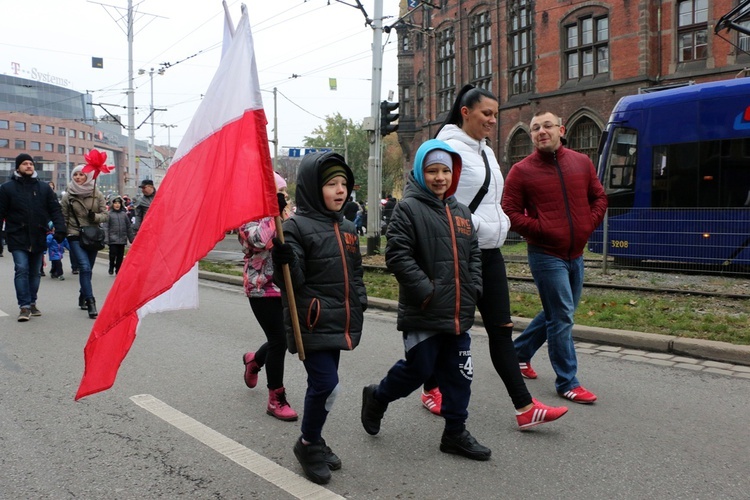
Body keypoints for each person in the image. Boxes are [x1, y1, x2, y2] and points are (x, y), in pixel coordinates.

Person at [429, 84, 568, 429]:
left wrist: (502, 223)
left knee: (501, 330)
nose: (493, 120)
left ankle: (524, 407)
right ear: (465, 112)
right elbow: (437, 199)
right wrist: (473, 226)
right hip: (457, 253)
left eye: (495, 114)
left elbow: (494, 199)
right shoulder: (445, 148)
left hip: (489, 253)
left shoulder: (487, 151)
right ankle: (427, 387)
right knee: (447, 330)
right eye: (486, 113)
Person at [360, 140, 491, 461]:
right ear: (421, 172)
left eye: (445, 170)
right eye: (432, 170)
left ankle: (455, 433)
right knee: (419, 370)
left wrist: (474, 287)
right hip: (424, 310)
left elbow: (473, 254)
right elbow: (397, 255)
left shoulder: (462, 212)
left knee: (460, 374)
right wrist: (427, 291)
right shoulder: (408, 209)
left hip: (458, 312)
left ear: (453, 173)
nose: (440, 177)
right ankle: (378, 397)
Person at [271, 152, 366, 485]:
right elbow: (289, 281)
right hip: (310, 321)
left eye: (343, 183)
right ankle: (308, 443)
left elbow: (355, 273)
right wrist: (279, 257)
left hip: (339, 320)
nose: (340, 190)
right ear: (313, 187)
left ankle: (316, 436)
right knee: (327, 385)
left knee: (324, 387)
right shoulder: (295, 227)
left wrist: (361, 302)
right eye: (331, 184)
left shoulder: (349, 227)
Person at [503, 111, 608, 404]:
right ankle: (567, 381)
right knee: (562, 315)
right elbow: (509, 211)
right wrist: (541, 229)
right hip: (545, 253)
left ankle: (519, 353)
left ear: (561, 130)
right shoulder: (521, 170)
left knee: (558, 313)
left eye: (547, 126)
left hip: (576, 253)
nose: (541, 132)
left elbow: (599, 198)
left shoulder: (582, 163)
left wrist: (588, 224)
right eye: (535, 128)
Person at [239, 172, 298, 422]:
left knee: (284, 338)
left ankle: (254, 360)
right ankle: (276, 397)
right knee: (279, 340)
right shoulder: (248, 216)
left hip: (285, 285)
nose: (282, 198)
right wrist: (273, 213)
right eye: (277, 194)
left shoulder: (287, 214)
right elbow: (259, 240)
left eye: (283, 193)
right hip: (261, 287)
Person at [0, 153, 67, 321]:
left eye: (31, 163)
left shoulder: (44, 188)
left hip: (38, 235)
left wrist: (60, 229)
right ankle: (23, 306)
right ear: (18, 167)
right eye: (24, 163)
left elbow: (55, 210)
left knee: (35, 272)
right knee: (21, 269)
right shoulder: (7, 188)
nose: (29, 166)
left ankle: (32, 303)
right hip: (17, 235)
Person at [62, 165, 108, 319]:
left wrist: (95, 217)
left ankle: (82, 295)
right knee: (84, 267)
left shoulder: (97, 194)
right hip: (75, 234)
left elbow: (106, 215)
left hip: (93, 236)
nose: (78, 177)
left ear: (88, 176)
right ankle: (91, 301)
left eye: (82, 175)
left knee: (88, 270)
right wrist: (63, 234)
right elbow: (64, 218)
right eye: (75, 175)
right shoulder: (67, 196)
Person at [104, 195, 134, 275]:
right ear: (112, 204)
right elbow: (106, 227)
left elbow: (128, 227)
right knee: (113, 254)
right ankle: (111, 266)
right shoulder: (109, 214)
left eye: (119, 203)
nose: (117, 205)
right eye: (115, 203)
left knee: (120, 256)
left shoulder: (124, 215)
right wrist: (106, 239)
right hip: (113, 239)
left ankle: (118, 269)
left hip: (122, 239)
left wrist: (132, 239)